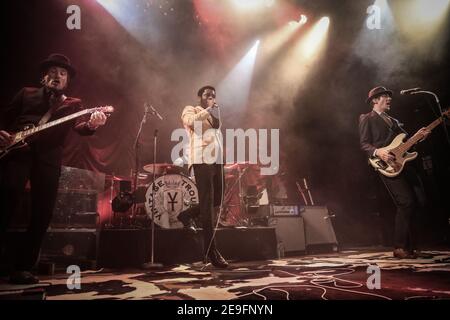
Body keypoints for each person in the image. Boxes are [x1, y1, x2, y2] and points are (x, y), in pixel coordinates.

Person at [0, 53, 108, 283]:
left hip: (48, 158)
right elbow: (6, 117)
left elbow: (81, 127)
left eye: (62, 73)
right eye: (53, 72)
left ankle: (22, 268)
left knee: (43, 211)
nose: (57, 76)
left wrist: (92, 124)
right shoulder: (26, 93)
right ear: (44, 77)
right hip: (18, 154)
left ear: (67, 80)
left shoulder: (73, 104)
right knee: (7, 197)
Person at [359, 86, 430, 259]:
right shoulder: (366, 118)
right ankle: (400, 247)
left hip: (404, 163)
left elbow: (407, 143)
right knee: (405, 202)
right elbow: (364, 144)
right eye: (384, 96)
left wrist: (419, 137)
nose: (389, 99)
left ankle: (413, 247)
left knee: (420, 201)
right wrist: (378, 152)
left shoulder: (395, 121)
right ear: (375, 100)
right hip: (386, 164)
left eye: (389, 96)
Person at [180, 85, 228, 268]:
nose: (211, 97)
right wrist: (207, 109)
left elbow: (216, 133)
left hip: (217, 160)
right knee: (207, 206)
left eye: (213, 95)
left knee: (217, 201)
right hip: (201, 159)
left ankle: (186, 215)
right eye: (207, 95)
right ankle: (211, 252)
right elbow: (191, 122)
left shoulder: (214, 117)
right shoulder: (190, 110)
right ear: (200, 97)